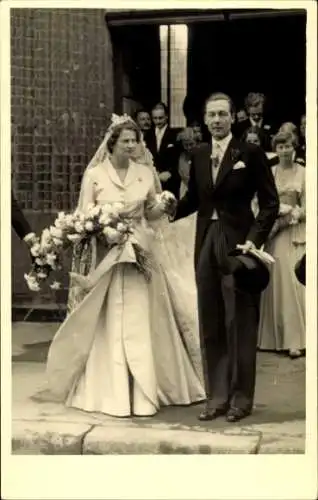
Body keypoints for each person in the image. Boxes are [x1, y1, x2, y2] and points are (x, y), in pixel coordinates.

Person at [34, 115, 205, 418]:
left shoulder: (144, 172)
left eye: (135, 140)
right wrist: (103, 229)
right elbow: (83, 216)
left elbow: (151, 214)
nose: (131, 145)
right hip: (108, 254)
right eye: (125, 140)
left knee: (142, 315)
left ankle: (145, 392)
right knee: (109, 317)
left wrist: (162, 204)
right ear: (112, 143)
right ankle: (111, 391)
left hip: (141, 252)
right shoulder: (96, 174)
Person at [174, 92, 279, 423]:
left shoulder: (249, 153)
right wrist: (165, 209)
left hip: (238, 245)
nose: (216, 120)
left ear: (233, 118)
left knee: (240, 321)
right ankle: (216, 397)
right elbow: (194, 199)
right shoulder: (200, 154)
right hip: (206, 241)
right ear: (204, 121)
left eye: (222, 114)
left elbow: (270, 202)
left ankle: (241, 398)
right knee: (211, 318)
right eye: (211, 115)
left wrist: (253, 241)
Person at [258, 131, 305, 359]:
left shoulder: (304, 173)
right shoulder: (271, 172)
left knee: (292, 282)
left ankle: (295, 340)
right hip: (274, 233)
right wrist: (272, 221)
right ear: (275, 150)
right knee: (274, 281)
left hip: (293, 232)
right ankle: (271, 338)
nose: (284, 151)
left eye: (287, 146)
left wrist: (291, 216)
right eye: (279, 147)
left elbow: (307, 205)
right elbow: (262, 202)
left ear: (294, 147)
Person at [144, 102, 180, 198]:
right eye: (155, 118)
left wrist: (171, 172)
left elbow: (180, 158)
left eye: (161, 118)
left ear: (166, 116)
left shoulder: (175, 134)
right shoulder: (147, 135)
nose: (158, 121)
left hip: (170, 182)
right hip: (152, 182)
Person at [176, 127, 198, 198]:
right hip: (185, 189)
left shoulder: (202, 155)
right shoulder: (182, 156)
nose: (189, 147)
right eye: (186, 145)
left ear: (196, 142)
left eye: (191, 144)